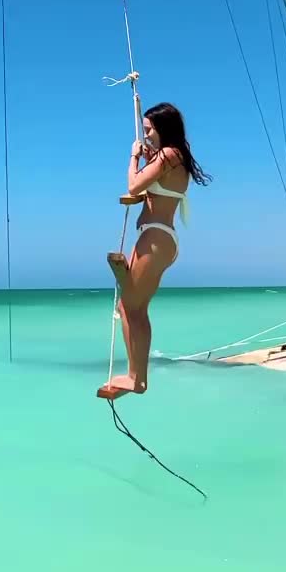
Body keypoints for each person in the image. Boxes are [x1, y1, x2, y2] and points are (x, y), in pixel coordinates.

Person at [98, 102, 210, 401]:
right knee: (129, 307)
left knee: (133, 309)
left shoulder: (169, 155)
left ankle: (138, 378)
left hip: (156, 239)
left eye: (148, 130)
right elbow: (152, 185)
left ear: (162, 129)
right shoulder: (171, 156)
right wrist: (149, 158)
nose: (145, 135)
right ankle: (135, 375)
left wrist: (134, 157)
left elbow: (134, 187)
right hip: (158, 239)